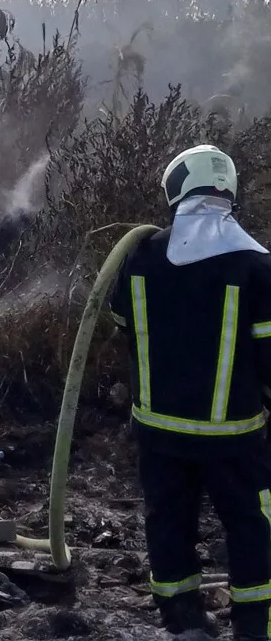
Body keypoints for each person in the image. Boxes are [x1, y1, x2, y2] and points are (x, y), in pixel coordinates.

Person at [110, 144, 271, 641]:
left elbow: (121, 324)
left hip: (158, 431)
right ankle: (253, 627)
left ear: (176, 186)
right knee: (249, 525)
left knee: (168, 521)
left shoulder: (139, 255)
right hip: (235, 436)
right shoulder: (256, 265)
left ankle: (183, 623)